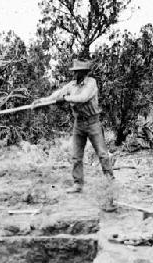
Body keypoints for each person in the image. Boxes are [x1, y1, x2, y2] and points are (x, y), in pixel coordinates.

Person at [32, 59, 114, 193]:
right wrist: (41, 101)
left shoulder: (91, 83)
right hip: (79, 123)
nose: (74, 74)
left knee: (103, 154)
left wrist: (65, 99)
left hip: (93, 122)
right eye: (74, 72)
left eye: (77, 72)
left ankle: (110, 181)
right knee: (76, 156)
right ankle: (78, 184)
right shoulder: (71, 85)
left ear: (84, 72)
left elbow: (83, 98)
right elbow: (56, 95)